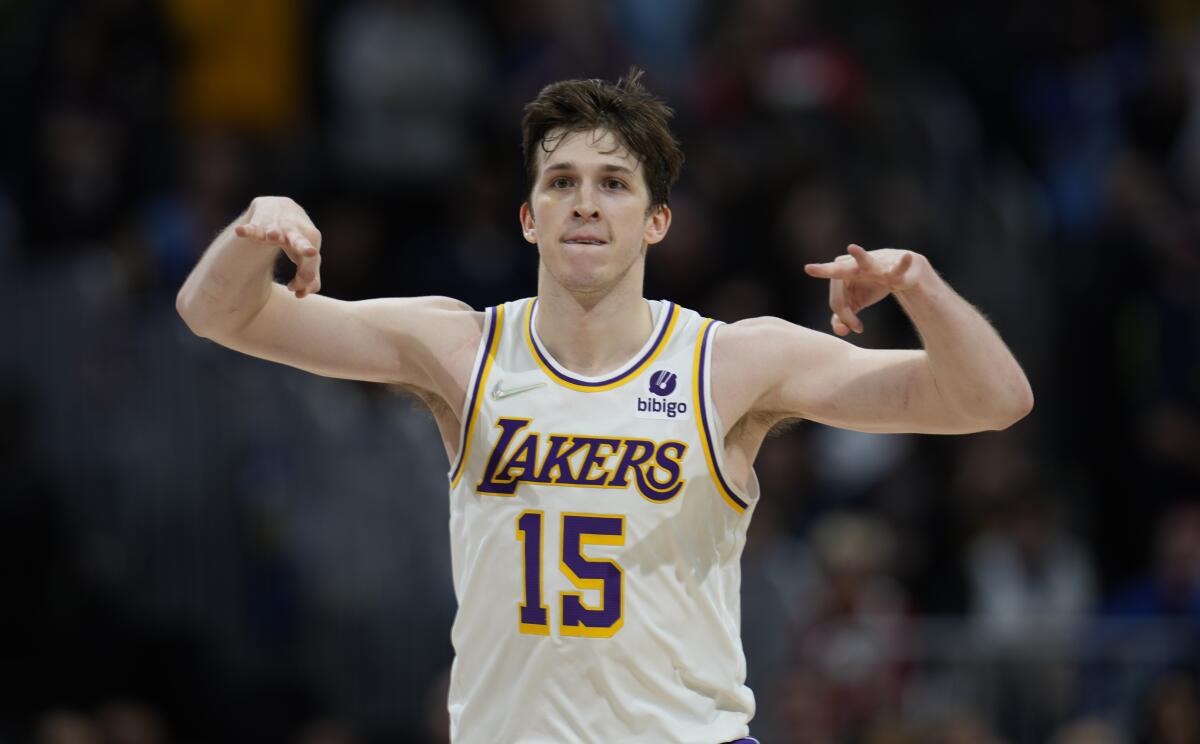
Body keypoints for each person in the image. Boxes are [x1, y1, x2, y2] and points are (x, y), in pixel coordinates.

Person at [176, 69, 1033, 744]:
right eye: (562, 181)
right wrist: (253, 232)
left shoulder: (730, 362)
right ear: (527, 217)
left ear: (658, 221)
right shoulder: (458, 348)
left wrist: (919, 285)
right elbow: (216, 313)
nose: (586, 201)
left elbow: (991, 400)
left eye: (614, 183)